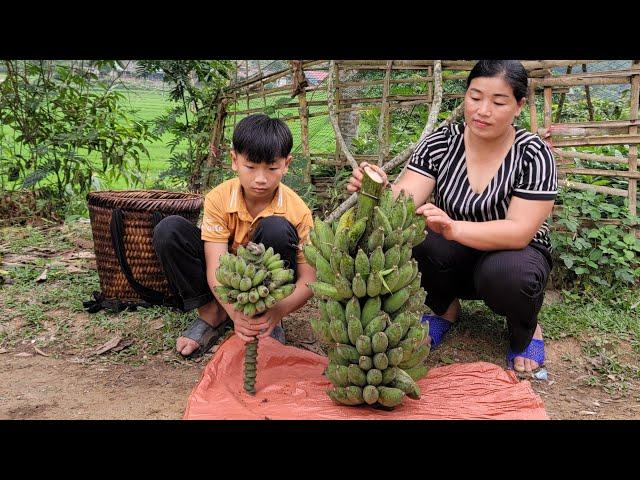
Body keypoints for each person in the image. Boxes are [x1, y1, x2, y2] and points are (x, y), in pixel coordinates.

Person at [347, 60, 557, 373]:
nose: (483, 110)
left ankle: (524, 331)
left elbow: (520, 231)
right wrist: (375, 189)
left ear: (518, 106)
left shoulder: (533, 153)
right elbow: (404, 201)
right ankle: (445, 309)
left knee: (512, 274)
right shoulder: (441, 143)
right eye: (475, 97)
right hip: (454, 251)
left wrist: (455, 228)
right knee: (413, 238)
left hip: (511, 253)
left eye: (498, 101)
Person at [153, 114, 316, 357]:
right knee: (169, 230)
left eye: (271, 168)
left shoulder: (298, 211)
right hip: (226, 281)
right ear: (234, 160)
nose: (260, 178)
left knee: (277, 228)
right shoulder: (219, 198)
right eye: (250, 167)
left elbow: (309, 279)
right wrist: (234, 314)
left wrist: (278, 311)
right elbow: (215, 264)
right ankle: (212, 313)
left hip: (267, 291)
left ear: (286, 164)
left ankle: (266, 321)